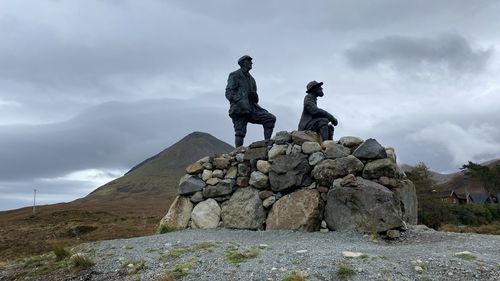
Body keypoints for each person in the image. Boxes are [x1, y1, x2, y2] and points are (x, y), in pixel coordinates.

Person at [225, 55, 276, 147]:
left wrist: (254, 96)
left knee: (270, 118)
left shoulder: (252, 80)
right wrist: (239, 100)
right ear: (243, 63)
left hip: (252, 107)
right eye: (249, 61)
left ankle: (267, 143)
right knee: (240, 131)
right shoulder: (235, 75)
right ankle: (238, 151)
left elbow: (256, 99)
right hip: (239, 107)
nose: (251, 63)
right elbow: (229, 92)